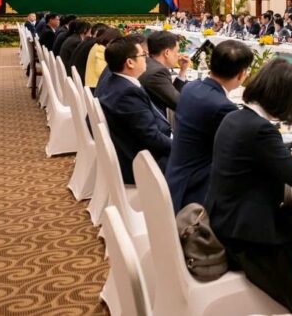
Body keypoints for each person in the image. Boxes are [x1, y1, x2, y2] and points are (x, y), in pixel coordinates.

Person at [206, 59, 292, 310]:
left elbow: (256, 161)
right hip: (245, 238)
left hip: (223, 220)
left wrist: (284, 159)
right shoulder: (261, 130)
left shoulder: (235, 117)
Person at [166, 40, 253, 213]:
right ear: (241, 74)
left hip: (176, 176)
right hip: (196, 191)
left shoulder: (191, 87)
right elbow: (240, 152)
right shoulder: (223, 107)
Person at [96, 36, 172, 184]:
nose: (147, 59)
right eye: (143, 55)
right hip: (139, 163)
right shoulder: (127, 93)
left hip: (131, 149)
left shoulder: (115, 80)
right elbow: (152, 137)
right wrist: (181, 147)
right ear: (130, 62)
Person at [139, 31, 192, 115]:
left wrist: (182, 71)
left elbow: (171, 94)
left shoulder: (147, 63)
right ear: (167, 52)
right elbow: (179, 103)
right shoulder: (158, 72)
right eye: (177, 51)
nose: (179, 55)